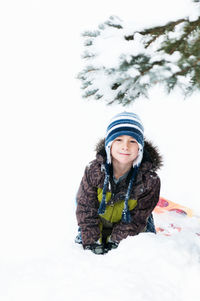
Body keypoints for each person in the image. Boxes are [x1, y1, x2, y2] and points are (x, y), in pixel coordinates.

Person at [75, 112, 162, 254]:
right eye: (119, 140)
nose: (125, 146)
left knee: (143, 243)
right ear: (109, 144)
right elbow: (86, 208)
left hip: (131, 225)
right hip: (101, 220)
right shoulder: (93, 171)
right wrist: (92, 241)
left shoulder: (150, 181)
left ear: (140, 147)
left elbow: (136, 219)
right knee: (82, 203)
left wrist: (116, 241)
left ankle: (144, 228)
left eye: (133, 141)